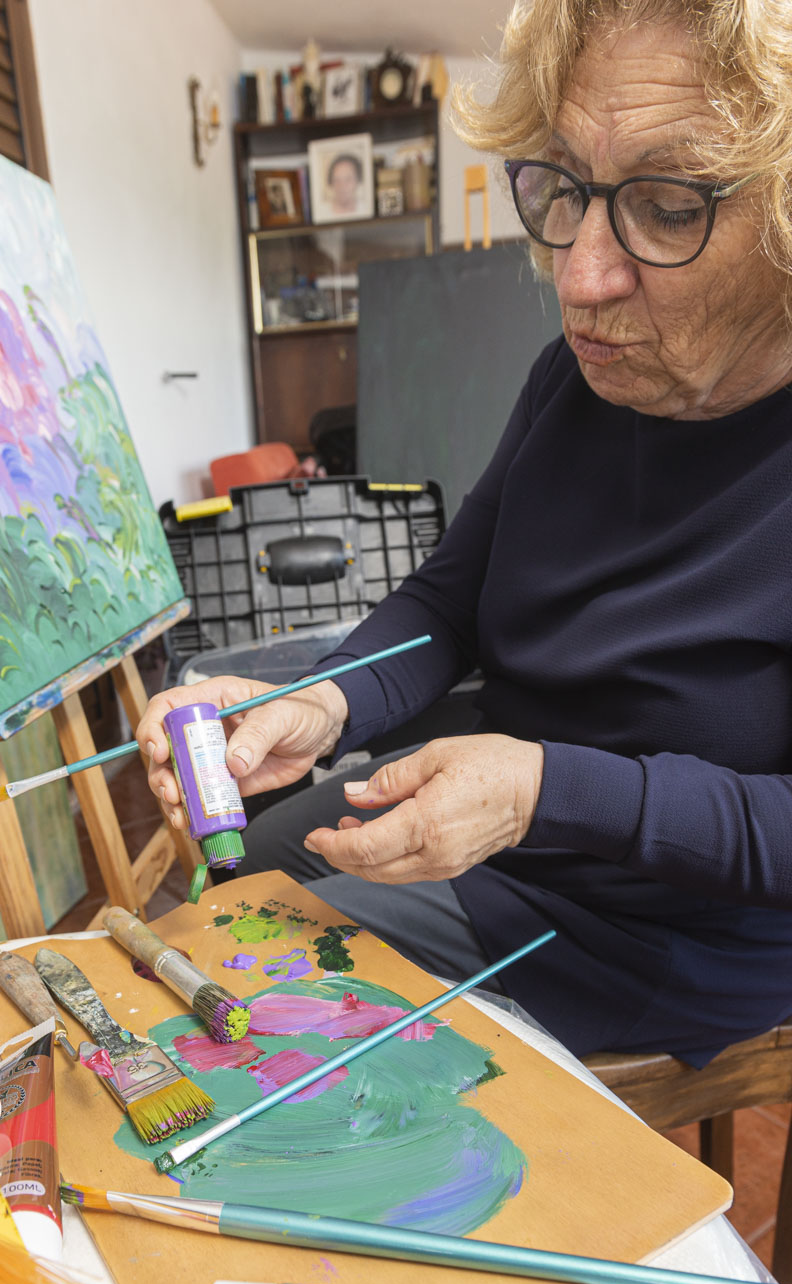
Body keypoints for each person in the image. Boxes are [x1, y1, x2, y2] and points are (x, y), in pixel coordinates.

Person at [138, 0, 792, 1067]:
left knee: (236, 989)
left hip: (651, 930)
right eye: (565, 187)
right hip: (497, 823)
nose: (580, 276)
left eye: (669, 207)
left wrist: (542, 791)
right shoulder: (569, 383)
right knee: (227, 884)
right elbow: (446, 604)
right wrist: (321, 704)